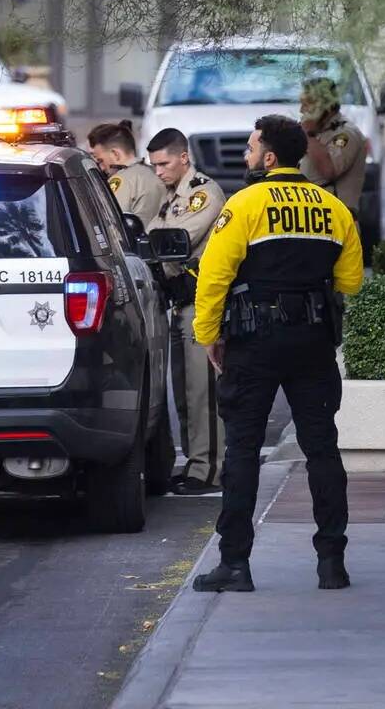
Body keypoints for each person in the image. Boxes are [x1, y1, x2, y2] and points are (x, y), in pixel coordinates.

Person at [190, 114, 363, 592]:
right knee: (322, 450)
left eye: (250, 150)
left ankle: (235, 564)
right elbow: (350, 280)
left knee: (243, 451)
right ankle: (333, 563)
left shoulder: (246, 204)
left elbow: (214, 276)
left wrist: (209, 335)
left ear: (269, 157)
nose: (246, 157)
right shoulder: (332, 208)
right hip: (313, 342)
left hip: (254, 342)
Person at [145, 128, 227, 495]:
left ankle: (209, 468)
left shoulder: (202, 193)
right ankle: (195, 463)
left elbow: (171, 240)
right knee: (182, 390)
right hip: (178, 302)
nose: (158, 171)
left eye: (163, 163)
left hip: (200, 302)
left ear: (183, 157)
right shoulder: (168, 195)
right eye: (153, 165)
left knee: (201, 391)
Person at [299, 77, 367, 221]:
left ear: (326, 106)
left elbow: (329, 170)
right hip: (312, 219)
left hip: (336, 221)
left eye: (307, 104)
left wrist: (308, 135)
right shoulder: (318, 131)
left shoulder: (346, 133)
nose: (302, 110)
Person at [87, 120, 165, 223]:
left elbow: (110, 224)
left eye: (101, 161)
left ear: (115, 154)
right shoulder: (157, 173)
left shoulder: (120, 181)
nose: (101, 168)